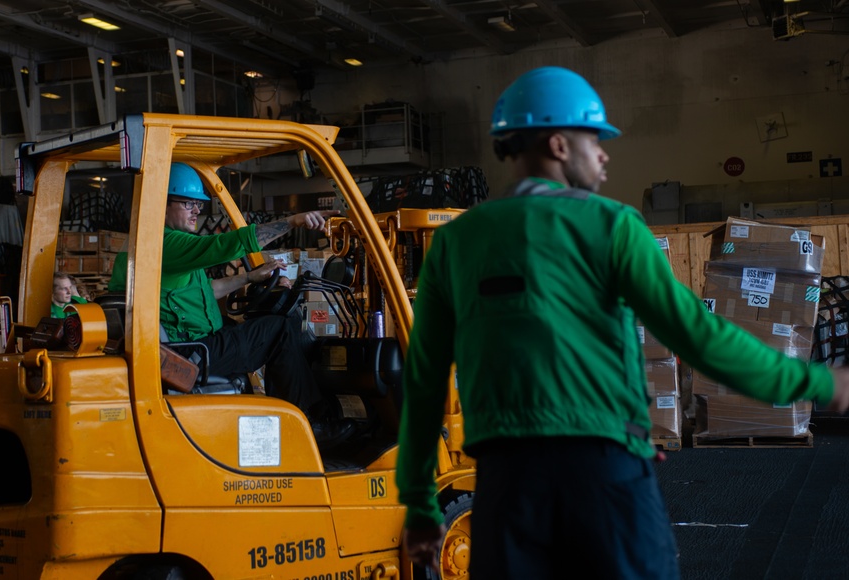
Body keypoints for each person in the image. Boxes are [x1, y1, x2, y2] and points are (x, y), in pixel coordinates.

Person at [395, 66, 849, 578]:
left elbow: (425, 380)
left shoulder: (455, 243)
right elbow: (699, 338)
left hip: (506, 488)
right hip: (606, 477)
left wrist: (418, 503)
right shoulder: (612, 226)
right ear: (560, 143)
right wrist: (813, 381)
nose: (605, 153)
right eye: (596, 138)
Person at [109, 162, 355, 446]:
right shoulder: (164, 244)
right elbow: (223, 246)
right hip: (191, 354)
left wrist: (249, 277)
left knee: (270, 326)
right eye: (188, 203)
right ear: (161, 204)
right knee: (280, 329)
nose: (197, 211)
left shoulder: (150, 247)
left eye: (198, 204)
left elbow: (206, 290)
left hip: (188, 347)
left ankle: (288, 416)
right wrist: (292, 222)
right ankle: (314, 423)